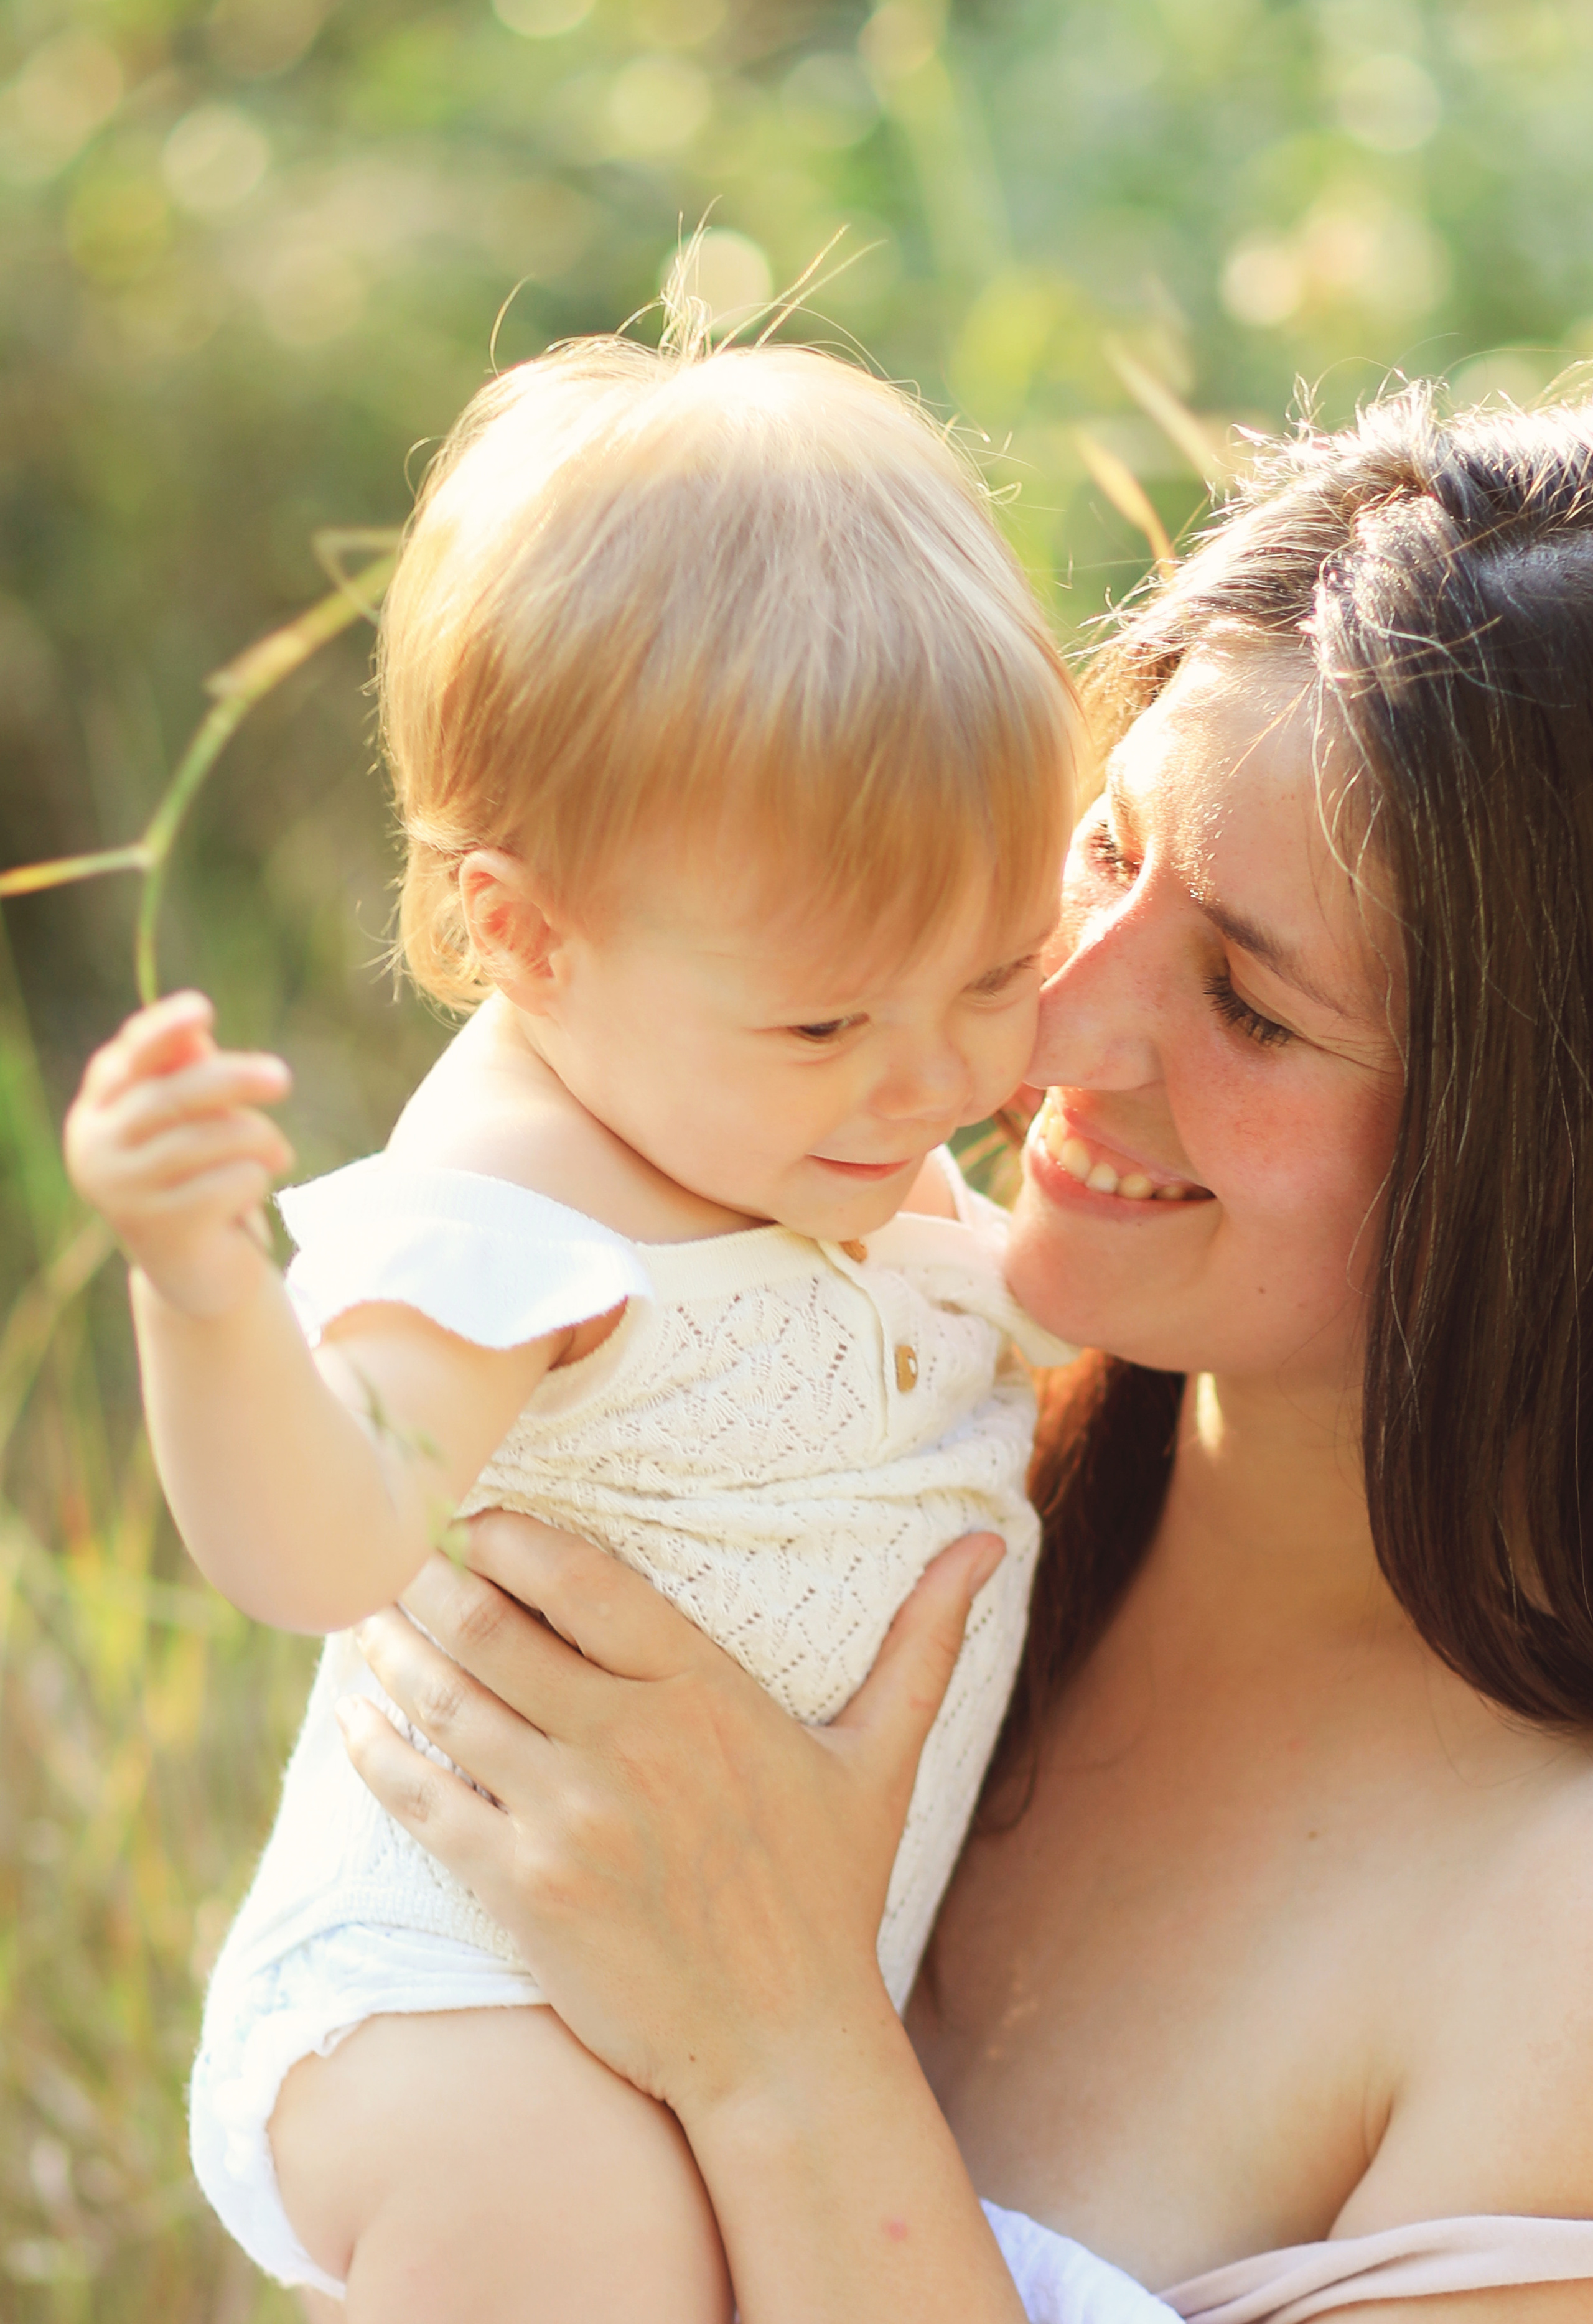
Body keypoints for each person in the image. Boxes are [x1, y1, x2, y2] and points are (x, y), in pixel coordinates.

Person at [332, 386, 1593, 2323]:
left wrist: (778, 2042)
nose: (1042, 1025)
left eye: (1251, 1006)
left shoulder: (1549, 1935)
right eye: (1099, 851)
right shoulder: (812, 1436)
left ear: (1542, 1156)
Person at [63, 322, 1086, 2317]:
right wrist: (202, 1293)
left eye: (996, 973)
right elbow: (320, 1544)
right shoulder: (514, 1221)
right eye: (825, 1020)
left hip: (726, 2004)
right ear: (526, 934)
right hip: (471, 2012)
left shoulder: (812, 1149)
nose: (930, 1078)